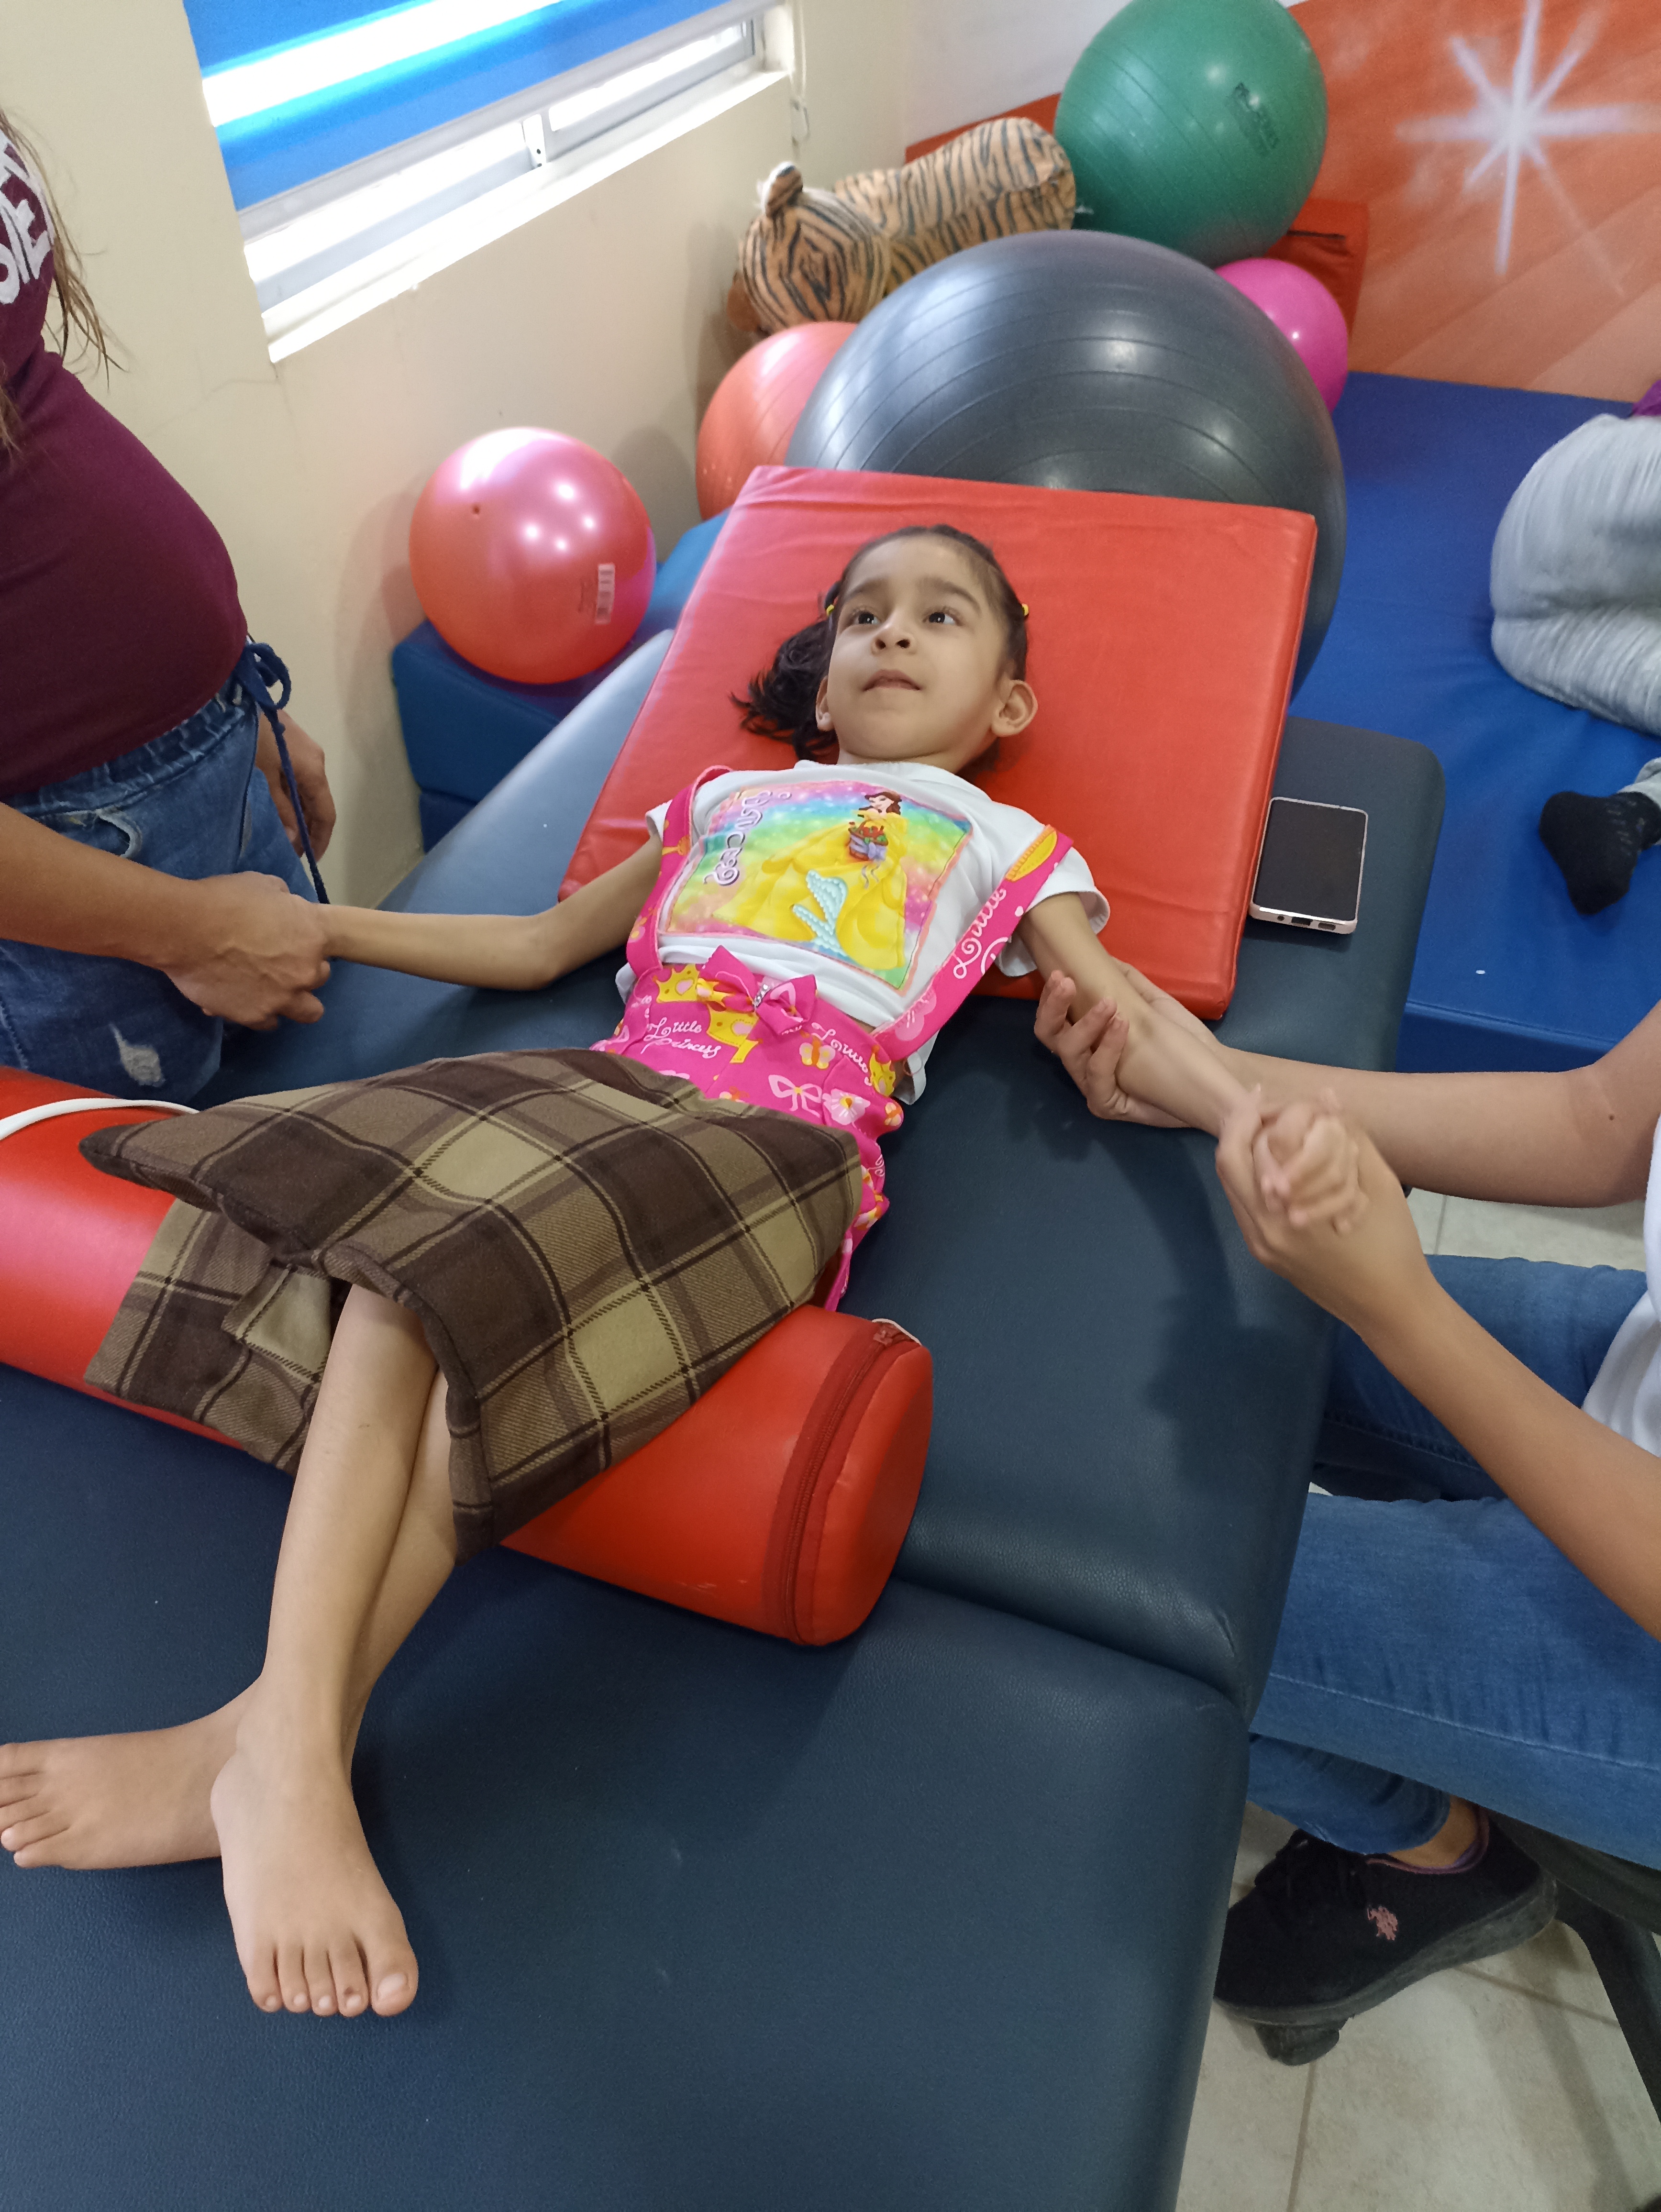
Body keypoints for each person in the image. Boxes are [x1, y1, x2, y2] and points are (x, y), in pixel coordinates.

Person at [0, 523, 1360, 2022]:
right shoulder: (724, 799)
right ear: (824, 683)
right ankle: (272, 1750)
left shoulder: (1001, 845)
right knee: (402, 1250)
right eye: (865, 616)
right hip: (604, 1084)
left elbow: (1126, 1010)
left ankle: (266, 1742)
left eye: (943, 617)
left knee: (480, 1284)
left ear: (1009, 710)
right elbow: (530, 948)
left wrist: (1256, 1118)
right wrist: (294, 920)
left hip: (778, 1141)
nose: (894, 636)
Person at [1035, 961, 1661, 2048]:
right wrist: (1212, 1083)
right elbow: (1599, 1117)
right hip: (1637, 1376)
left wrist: (1400, 1307)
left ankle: (1425, 1845)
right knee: (1207, 1326)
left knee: (1149, 1606)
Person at [0, 110, 333, 1101]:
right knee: (198, 1239)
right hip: (78, 877)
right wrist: (188, 931)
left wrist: (235, 714)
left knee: (334, 1146)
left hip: (202, 771)